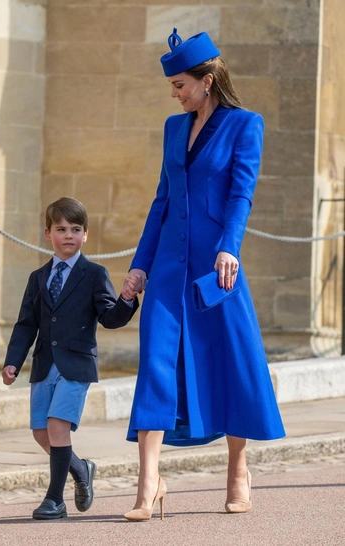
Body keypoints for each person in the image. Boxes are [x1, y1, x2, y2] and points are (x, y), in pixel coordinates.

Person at [121, 28, 285, 521]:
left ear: (207, 80)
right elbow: (162, 202)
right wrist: (139, 266)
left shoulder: (245, 125)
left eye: (180, 85)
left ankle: (238, 469)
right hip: (169, 269)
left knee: (230, 363)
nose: (175, 94)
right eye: (173, 87)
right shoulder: (174, 128)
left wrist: (229, 249)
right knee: (154, 364)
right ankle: (148, 484)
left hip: (217, 269)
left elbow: (242, 195)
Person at [2, 198, 139, 520]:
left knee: (57, 426)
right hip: (44, 364)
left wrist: (128, 299)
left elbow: (110, 318)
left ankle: (54, 499)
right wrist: (12, 361)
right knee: (41, 433)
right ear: (48, 233)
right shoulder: (38, 277)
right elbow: (26, 325)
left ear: (85, 235)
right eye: (61, 229)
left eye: (75, 230)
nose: (68, 235)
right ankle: (81, 468)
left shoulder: (94, 274)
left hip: (76, 365)